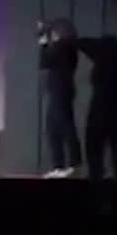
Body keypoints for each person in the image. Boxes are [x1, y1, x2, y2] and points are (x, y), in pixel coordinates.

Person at [76, 34, 117, 178]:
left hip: (101, 108)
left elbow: (86, 45)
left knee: (94, 147)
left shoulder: (103, 56)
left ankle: (96, 178)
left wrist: (71, 40)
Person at [38, 18, 82, 178]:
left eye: (55, 32)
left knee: (65, 126)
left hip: (60, 91)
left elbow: (44, 61)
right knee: (53, 128)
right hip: (60, 90)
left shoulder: (63, 46)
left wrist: (43, 41)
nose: (53, 35)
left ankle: (73, 164)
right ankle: (59, 166)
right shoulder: (68, 48)